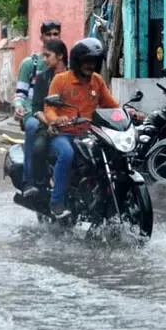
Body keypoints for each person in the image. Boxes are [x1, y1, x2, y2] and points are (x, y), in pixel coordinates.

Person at [43, 37, 120, 219]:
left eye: (94, 61)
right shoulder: (61, 80)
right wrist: (56, 120)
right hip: (64, 135)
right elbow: (49, 108)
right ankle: (57, 202)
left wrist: (128, 114)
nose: (90, 65)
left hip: (89, 134)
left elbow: (111, 105)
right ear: (77, 61)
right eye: (86, 61)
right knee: (66, 154)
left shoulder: (97, 81)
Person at [13, 20, 62, 195]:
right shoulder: (30, 64)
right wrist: (19, 107)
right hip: (33, 111)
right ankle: (28, 181)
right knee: (33, 127)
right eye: (48, 34)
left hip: (58, 112)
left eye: (55, 34)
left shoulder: (64, 62)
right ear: (41, 37)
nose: (52, 37)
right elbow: (20, 94)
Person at [22, 39, 69, 198]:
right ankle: (38, 185)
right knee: (39, 148)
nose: (44, 60)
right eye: (43, 56)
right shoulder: (42, 78)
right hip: (47, 124)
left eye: (47, 56)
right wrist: (51, 123)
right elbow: (37, 108)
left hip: (72, 125)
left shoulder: (74, 77)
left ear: (60, 56)